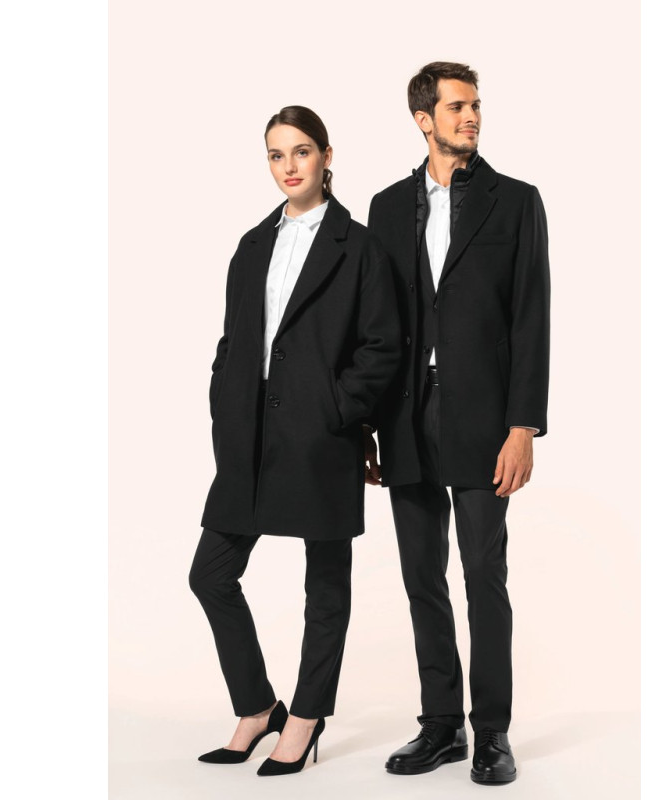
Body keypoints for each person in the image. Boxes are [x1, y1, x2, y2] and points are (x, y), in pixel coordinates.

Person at [189, 105, 400, 777]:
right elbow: (234, 339)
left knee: (325, 584)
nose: (289, 166)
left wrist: (338, 409)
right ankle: (257, 707)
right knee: (210, 575)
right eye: (277, 154)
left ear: (326, 156)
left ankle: (306, 718)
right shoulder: (253, 243)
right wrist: (224, 401)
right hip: (248, 437)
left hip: (320, 437)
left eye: (301, 151)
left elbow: (382, 347)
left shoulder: (359, 246)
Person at [366, 62, 551, 785]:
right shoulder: (387, 208)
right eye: (456, 107)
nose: (471, 117)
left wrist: (523, 427)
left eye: (475, 105)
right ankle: (441, 725)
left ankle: (492, 731)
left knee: (483, 575)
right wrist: (366, 426)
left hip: (483, 418)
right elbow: (374, 324)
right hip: (405, 416)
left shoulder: (516, 202)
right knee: (421, 576)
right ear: (424, 120)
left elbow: (531, 318)